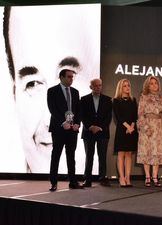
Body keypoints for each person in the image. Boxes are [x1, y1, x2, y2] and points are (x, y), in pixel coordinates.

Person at [3, 5, 100, 173]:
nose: (48, 120)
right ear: (14, 95)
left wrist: (75, 124)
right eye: (32, 83)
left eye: (70, 73)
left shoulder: (76, 96)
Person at [47, 69, 82, 191]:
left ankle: (73, 182)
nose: (71, 79)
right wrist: (63, 123)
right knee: (56, 155)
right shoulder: (52, 91)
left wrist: (77, 123)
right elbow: (52, 109)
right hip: (59, 128)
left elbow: (78, 110)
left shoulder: (75, 92)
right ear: (61, 77)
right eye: (68, 77)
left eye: (72, 77)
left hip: (72, 129)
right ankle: (53, 182)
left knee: (71, 156)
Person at [137, 76, 162, 187]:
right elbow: (140, 114)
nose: (154, 85)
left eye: (156, 83)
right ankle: (147, 177)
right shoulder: (143, 97)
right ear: (147, 85)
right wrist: (145, 128)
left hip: (159, 127)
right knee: (147, 151)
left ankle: (155, 176)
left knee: (157, 152)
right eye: (151, 83)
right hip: (147, 126)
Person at [80, 78, 112, 187]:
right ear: (91, 87)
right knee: (89, 156)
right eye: (96, 85)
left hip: (102, 132)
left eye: (100, 85)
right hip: (89, 133)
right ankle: (87, 179)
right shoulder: (84, 99)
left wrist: (99, 127)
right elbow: (82, 115)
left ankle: (102, 178)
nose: (98, 87)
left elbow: (108, 117)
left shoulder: (108, 100)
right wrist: (90, 126)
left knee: (102, 156)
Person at [113, 79, 138, 187]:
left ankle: (128, 177)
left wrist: (132, 126)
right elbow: (118, 116)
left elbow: (134, 115)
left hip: (131, 130)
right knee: (121, 154)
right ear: (120, 88)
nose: (127, 88)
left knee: (129, 154)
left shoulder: (133, 100)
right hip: (122, 130)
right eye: (124, 86)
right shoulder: (116, 100)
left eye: (128, 85)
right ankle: (121, 178)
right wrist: (127, 126)